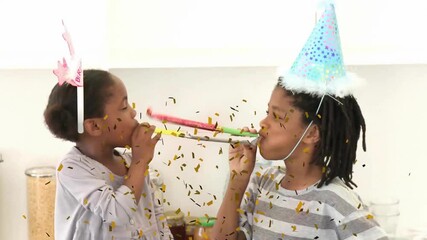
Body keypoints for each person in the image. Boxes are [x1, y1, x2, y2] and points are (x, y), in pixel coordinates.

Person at [211, 3, 388, 240]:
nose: (263, 124)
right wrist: (237, 182)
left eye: (277, 116)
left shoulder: (337, 201)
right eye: (267, 113)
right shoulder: (262, 184)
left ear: (312, 133)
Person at [44, 69, 173, 240]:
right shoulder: (71, 169)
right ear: (95, 126)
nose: (133, 113)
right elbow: (116, 213)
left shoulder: (130, 162)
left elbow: (155, 213)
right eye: (124, 107)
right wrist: (140, 162)